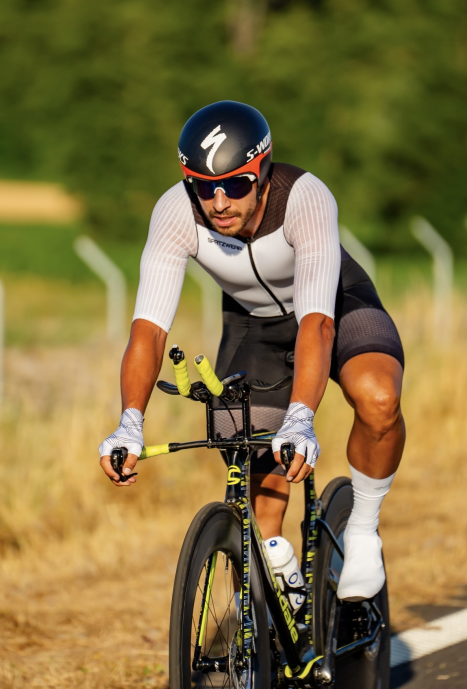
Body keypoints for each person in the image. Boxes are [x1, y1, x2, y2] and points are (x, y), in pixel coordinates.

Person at [98, 100, 406, 601]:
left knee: (377, 399)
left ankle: (364, 527)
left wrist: (301, 416)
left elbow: (318, 324)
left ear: (262, 173)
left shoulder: (303, 198)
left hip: (333, 305)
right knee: (250, 465)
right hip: (253, 326)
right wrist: (130, 420)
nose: (219, 202)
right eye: (204, 187)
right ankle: (272, 608)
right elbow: (148, 330)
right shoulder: (176, 213)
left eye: (236, 184)